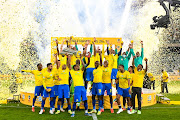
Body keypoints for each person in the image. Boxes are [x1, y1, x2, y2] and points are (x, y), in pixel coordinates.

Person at [89, 40, 103, 115]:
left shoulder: (100, 68)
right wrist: (91, 85)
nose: (96, 63)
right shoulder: (94, 70)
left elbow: (100, 61)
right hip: (94, 84)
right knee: (93, 96)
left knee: (99, 96)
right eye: (95, 63)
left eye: (97, 63)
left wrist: (100, 54)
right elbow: (92, 79)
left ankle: (100, 109)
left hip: (99, 84)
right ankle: (94, 108)